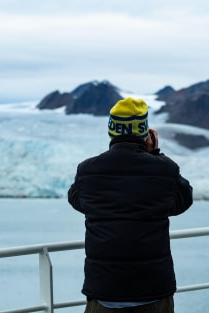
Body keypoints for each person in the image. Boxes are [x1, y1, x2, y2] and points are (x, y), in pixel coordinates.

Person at [68, 97, 193, 313]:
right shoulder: (164, 169)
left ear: (112, 130)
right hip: (153, 291)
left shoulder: (88, 170)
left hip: (104, 291)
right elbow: (183, 201)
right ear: (145, 133)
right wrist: (154, 155)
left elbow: (77, 200)